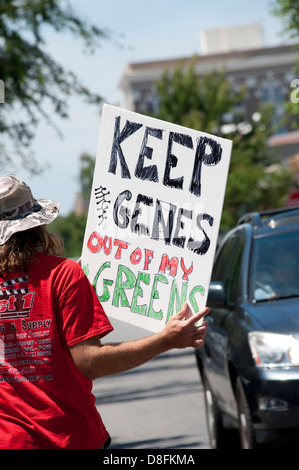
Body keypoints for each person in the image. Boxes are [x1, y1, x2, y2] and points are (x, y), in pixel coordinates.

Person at [0, 174, 209, 449]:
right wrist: (167, 339)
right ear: (36, 225)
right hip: (69, 437)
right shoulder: (63, 275)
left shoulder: (66, 275)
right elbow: (90, 362)